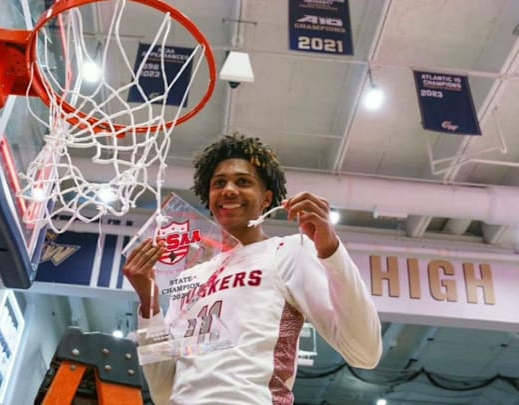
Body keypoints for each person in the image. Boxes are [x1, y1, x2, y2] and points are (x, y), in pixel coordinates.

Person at [123, 133, 382, 405]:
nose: (229, 190)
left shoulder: (289, 251)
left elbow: (365, 352)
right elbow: (164, 391)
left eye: (243, 181)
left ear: (266, 198)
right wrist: (149, 303)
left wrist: (331, 251)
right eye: (218, 183)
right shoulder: (190, 277)